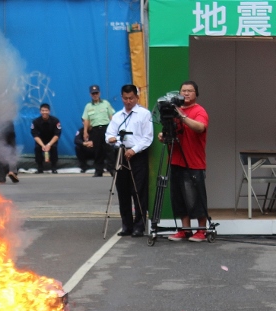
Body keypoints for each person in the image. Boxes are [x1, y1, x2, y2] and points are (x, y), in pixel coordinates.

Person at [159, 81, 210, 242]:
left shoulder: (199, 111)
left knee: (195, 197)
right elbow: (168, 132)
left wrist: (182, 115)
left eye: (190, 91)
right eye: (183, 91)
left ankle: (201, 230)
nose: (186, 93)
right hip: (175, 159)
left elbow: (200, 127)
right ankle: (184, 229)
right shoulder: (174, 111)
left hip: (194, 162)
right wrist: (163, 136)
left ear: (196, 94)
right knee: (178, 197)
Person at [105, 84, 153, 237]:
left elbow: (147, 137)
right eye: (125, 98)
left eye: (131, 98)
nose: (128, 101)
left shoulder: (144, 114)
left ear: (137, 97)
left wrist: (134, 150)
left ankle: (139, 225)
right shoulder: (118, 116)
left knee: (138, 191)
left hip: (136, 154)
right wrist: (111, 139)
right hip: (120, 154)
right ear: (121, 98)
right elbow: (108, 135)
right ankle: (126, 225)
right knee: (122, 191)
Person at [82, 85, 115, 176]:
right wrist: (85, 131)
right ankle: (98, 170)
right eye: (93, 93)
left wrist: (114, 128)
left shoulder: (106, 103)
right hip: (95, 130)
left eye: (96, 93)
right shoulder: (88, 106)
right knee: (97, 150)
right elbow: (86, 120)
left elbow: (111, 116)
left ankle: (112, 169)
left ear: (99, 93)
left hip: (106, 128)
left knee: (109, 150)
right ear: (90, 94)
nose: (95, 95)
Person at [31, 103, 61, 173]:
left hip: (51, 140)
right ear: (40, 111)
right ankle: (40, 167)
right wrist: (43, 145)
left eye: (46, 110)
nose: (44, 112)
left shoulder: (55, 121)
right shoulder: (36, 122)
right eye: (43, 110)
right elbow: (35, 135)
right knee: (37, 148)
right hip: (41, 141)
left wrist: (49, 144)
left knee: (54, 147)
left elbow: (57, 134)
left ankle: (54, 167)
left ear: (49, 111)